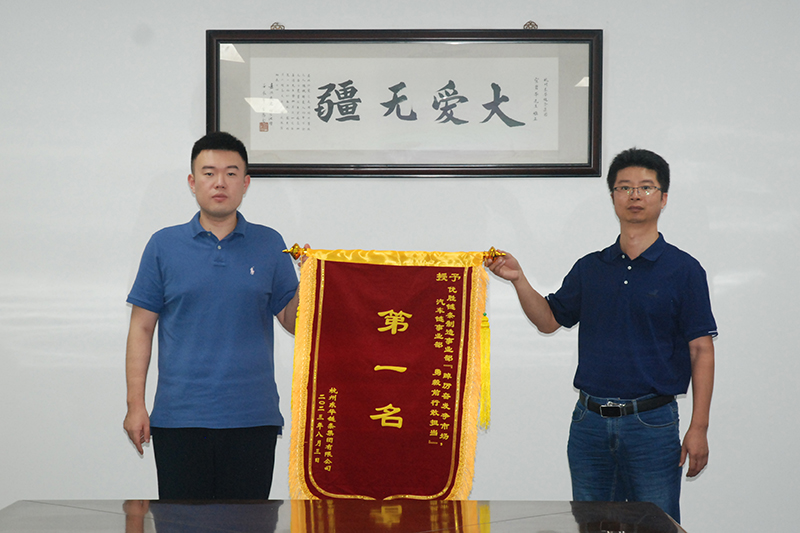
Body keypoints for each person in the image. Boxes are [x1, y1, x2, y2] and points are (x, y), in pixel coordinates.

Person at [486, 148, 716, 523]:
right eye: (624, 187)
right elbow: (548, 321)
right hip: (589, 424)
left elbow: (701, 351)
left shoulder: (684, 270)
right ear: (612, 197)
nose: (635, 195)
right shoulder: (591, 267)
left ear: (663, 198)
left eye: (646, 187)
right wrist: (519, 279)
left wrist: (699, 427)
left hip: (652, 424)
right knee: (591, 524)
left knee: (657, 525)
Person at [123, 131, 300, 500]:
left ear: (245, 183)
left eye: (231, 173)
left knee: (248, 524)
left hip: (252, 418)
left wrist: (312, 282)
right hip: (180, 418)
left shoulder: (270, 243)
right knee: (182, 523)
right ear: (193, 182)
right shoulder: (163, 245)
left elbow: (293, 321)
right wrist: (135, 405)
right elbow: (141, 327)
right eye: (209, 173)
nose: (220, 182)